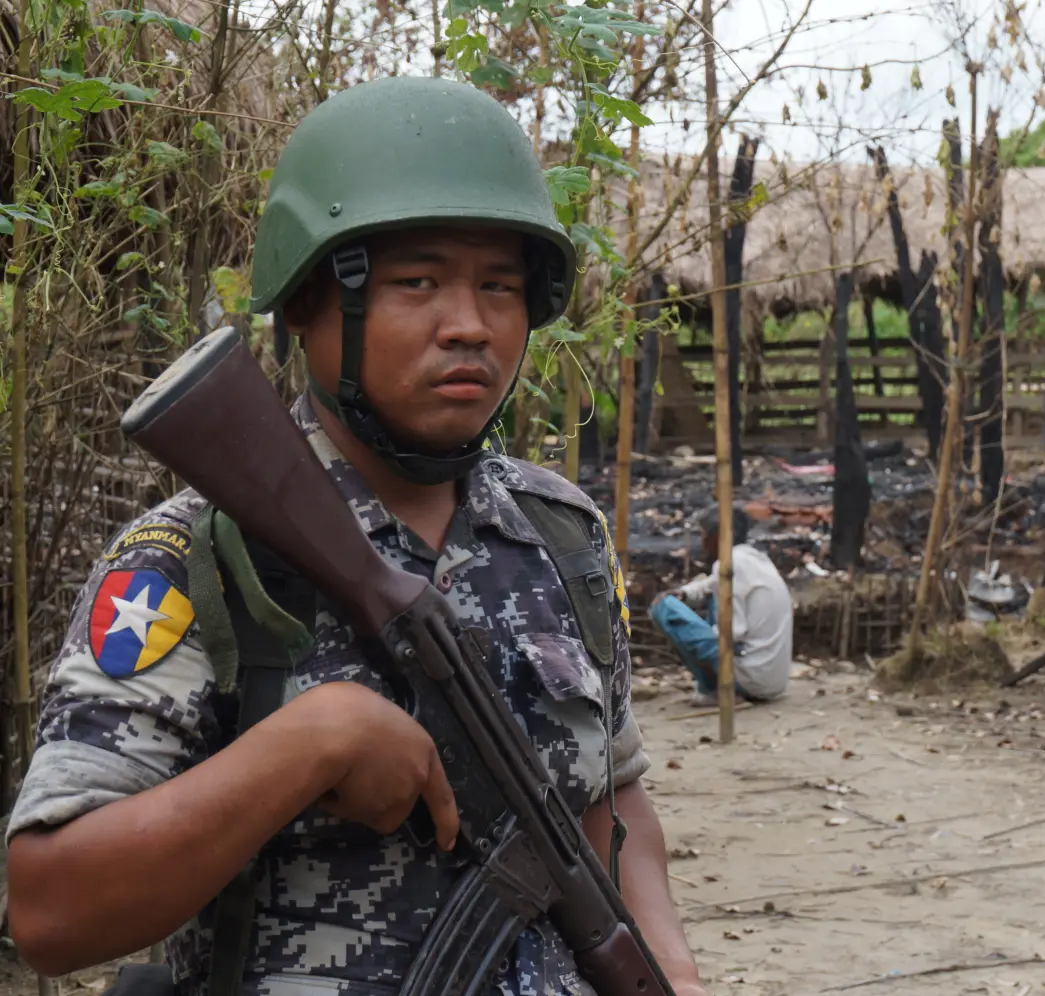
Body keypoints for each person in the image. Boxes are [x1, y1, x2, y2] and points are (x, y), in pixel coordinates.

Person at [6, 76, 708, 996]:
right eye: (418, 281)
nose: (471, 326)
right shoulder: (197, 563)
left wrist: (675, 975)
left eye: (500, 287)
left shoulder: (560, 536)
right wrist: (307, 746)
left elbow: (610, 802)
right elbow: (52, 911)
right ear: (306, 304)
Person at [648, 506, 793, 706]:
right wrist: (685, 593)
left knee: (663, 608)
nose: (702, 542)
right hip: (771, 680)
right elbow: (711, 584)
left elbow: (733, 632)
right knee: (711, 596)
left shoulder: (730, 564)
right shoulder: (754, 559)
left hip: (752, 679)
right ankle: (717, 685)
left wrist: (697, 635)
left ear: (719, 536)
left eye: (705, 535)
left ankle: (714, 688)